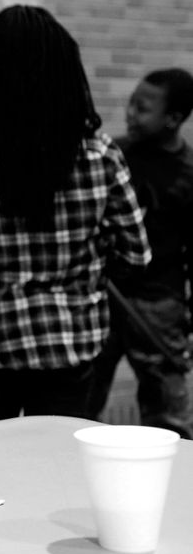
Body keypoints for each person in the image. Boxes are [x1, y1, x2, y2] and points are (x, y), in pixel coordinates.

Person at [0, 5, 152, 424]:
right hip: (74, 345)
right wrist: (87, 266)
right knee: (61, 470)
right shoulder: (101, 156)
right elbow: (137, 256)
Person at [88, 68, 193, 437]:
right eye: (132, 103)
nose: (131, 113)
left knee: (168, 416)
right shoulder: (112, 156)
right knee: (82, 406)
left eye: (143, 108)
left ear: (173, 119)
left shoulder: (187, 174)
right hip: (104, 296)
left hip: (159, 308)